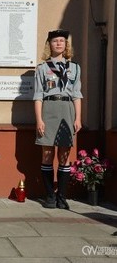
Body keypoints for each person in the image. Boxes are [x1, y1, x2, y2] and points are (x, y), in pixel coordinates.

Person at [33, 29, 82, 210]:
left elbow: (77, 95)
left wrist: (78, 118)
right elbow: (38, 95)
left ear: (66, 45)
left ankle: (62, 197)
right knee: (47, 154)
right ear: (50, 45)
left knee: (64, 155)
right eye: (55, 41)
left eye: (62, 41)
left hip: (67, 109)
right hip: (49, 108)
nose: (59, 44)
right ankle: (49, 196)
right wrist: (39, 120)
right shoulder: (42, 68)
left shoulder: (75, 68)